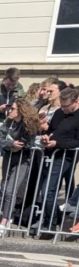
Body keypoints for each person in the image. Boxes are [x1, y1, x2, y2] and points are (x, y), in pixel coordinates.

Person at [0, 99, 40, 237]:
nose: (9, 111)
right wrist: (11, 143)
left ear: (21, 111)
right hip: (8, 158)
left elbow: (27, 143)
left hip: (22, 160)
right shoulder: (8, 123)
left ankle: (3, 222)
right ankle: (8, 216)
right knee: (5, 189)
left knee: (11, 191)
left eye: (13, 109)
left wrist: (15, 145)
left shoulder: (28, 125)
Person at [38, 86, 79, 236]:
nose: (64, 109)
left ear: (76, 101)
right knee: (46, 190)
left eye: (66, 106)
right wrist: (46, 136)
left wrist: (57, 144)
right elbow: (51, 130)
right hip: (50, 154)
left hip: (65, 157)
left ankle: (50, 224)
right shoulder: (59, 113)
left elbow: (77, 142)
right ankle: (51, 220)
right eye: (61, 106)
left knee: (48, 189)